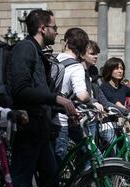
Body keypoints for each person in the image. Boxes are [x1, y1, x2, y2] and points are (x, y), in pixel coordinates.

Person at [8, 9, 76, 187]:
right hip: (27, 128)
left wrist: (64, 108)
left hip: (41, 128)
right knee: (21, 182)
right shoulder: (24, 49)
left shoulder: (38, 53)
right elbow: (21, 89)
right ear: (42, 28)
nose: (57, 32)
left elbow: (42, 93)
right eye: (54, 27)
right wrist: (56, 98)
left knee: (50, 179)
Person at [52, 27, 90, 166]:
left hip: (47, 115)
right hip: (61, 121)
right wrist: (90, 99)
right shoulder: (76, 67)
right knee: (58, 167)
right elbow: (81, 95)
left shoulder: (53, 59)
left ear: (66, 42)